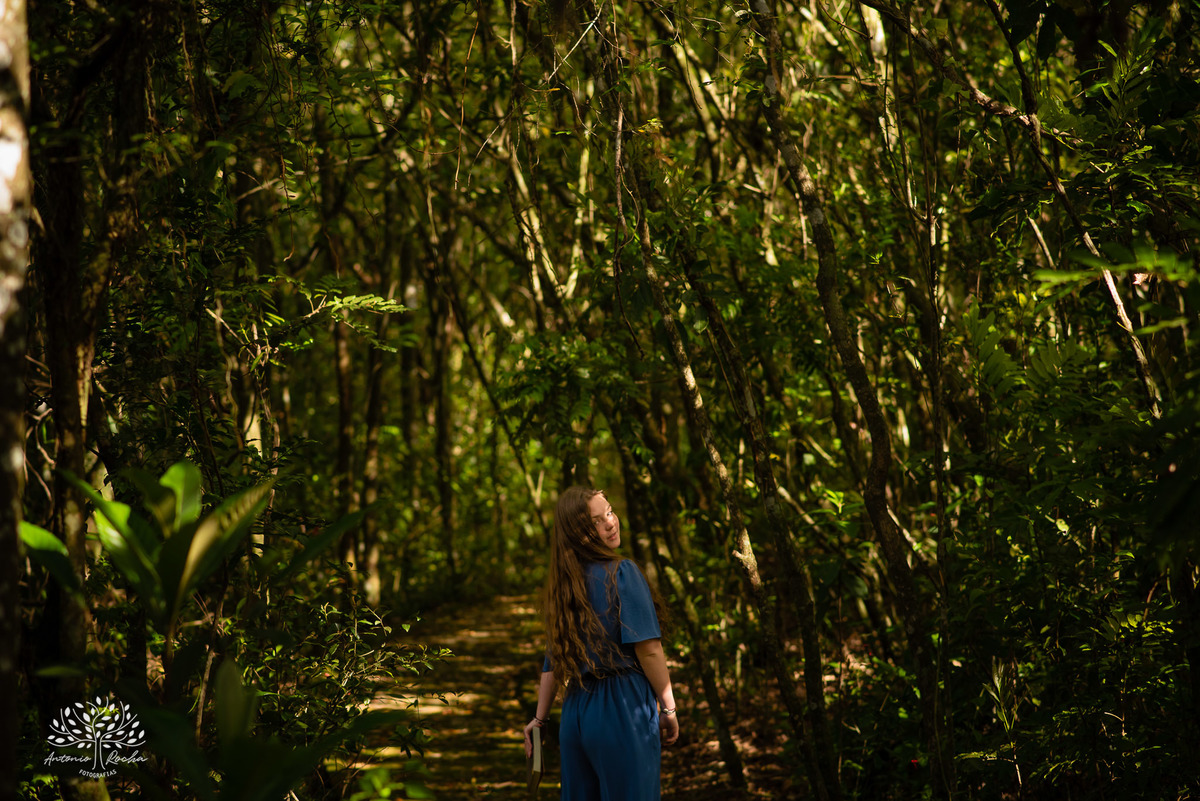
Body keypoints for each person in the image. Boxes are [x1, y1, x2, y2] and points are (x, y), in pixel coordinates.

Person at [523, 486, 679, 800]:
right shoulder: (622, 572)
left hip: (576, 712)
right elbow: (648, 649)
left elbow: (553, 659)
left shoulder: (565, 584)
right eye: (596, 521)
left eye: (609, 512)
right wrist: (669, 708)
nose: (610, 523)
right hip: (622, 707)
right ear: (578, 533)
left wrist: (540, 719)